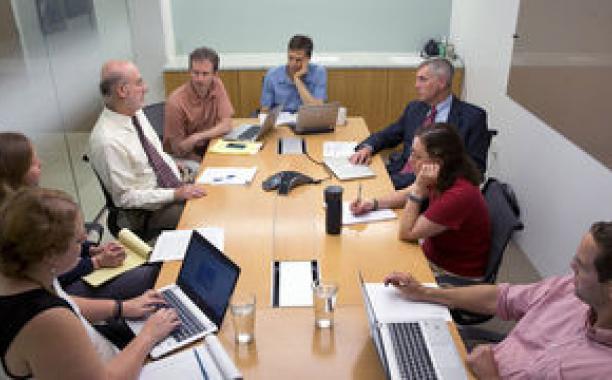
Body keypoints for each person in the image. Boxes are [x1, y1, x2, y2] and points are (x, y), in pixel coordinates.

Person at [384, 221, 612, 379]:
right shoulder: (567, 290)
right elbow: (500, 298)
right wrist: (425, 292)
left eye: (581, 267)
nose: (571, 268)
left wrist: (491, 377)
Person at [0, 187, 180, 379]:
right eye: (78, 240)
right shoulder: (47, 320)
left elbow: (68, 302)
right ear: (50, 255)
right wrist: (149, 335)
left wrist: (122, 307)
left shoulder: (25, 273)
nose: (85, 241)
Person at [0, 131, 159, 300]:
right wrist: (96, 262)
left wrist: (92, 250)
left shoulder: (27, 203)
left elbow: (58, 242)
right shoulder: (15, 221)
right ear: (14, 173)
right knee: (151, 274)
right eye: (32, 163)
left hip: (72, 269)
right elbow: (48, 272)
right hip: (61, 288)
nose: (41, 163)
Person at [351, 123, 490, 279]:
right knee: (368, 256)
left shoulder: (459, 194)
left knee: (371, 270)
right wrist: (372, 203)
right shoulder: (445, 174)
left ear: (438, 162)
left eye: (417, 156)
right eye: (411, 153)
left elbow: (407, 233)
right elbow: (405, 194)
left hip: (451, 275)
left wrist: (419, 188)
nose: (410, 160)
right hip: (431, 253)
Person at [89, 60, 206, 239]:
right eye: (139, 83)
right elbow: (126, 198)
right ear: (122, 91)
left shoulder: (134, 112)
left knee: (214, 186)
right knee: (204, 213)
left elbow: (154, 153)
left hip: (168, 185)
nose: (146, 88)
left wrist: (172, 165)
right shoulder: (107, 141)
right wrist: (175, 194)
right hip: (145, 213)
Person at [350, 58, 490, 190]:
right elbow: (389, 134)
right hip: (399, 174)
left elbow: (476, 169)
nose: (416, 85)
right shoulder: (415, 108)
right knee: (355, 184)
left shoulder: (473, 117)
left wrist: (429, 177)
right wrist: (367, 148)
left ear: (441, 82)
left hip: (434, 187)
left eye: (422, 80)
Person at [164, 46, 235, 164]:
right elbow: (179, 149)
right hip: (186, 157)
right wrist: (205, 161)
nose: (199, 79)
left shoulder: (216, 85)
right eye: (195, 73)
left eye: (205, 74)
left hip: (209, 145)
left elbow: (227, 124)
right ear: (189, 72)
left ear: (215, 74)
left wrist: (197, 137)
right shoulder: (175, 102)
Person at [260, 34, 327, 113]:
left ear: (308, 59)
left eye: (298, 60)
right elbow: (265, 110)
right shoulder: (272, 75)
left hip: (308, 122)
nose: (293, 64)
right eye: (290, 58)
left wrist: (297, 79)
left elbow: (317, 111)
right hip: (280, 122)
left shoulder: (318, 72)